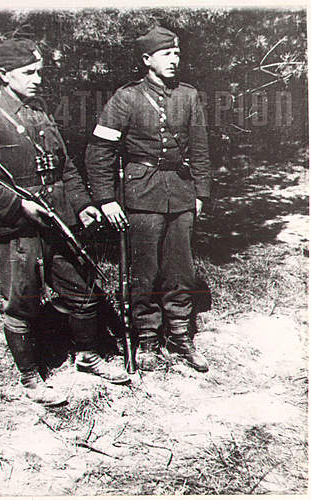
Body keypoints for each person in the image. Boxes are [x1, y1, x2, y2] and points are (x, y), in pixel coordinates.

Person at [0, 39, 129, 407]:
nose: (37, 80)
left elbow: (64, 167)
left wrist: (82, 204)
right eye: (28, 73)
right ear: (4, 75)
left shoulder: (39, 112)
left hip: (57, 222)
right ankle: (30, 378)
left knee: (83, 289)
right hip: (19, 231)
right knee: (22, 304)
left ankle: (87, 356)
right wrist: (19, 207)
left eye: (39, 72)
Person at [85, 26, 212, 372]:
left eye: (177, 54)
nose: (175, 60)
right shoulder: (126, 98)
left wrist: (201, 192)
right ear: (147, 59)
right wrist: (106, 199)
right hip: (141, 194)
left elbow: (199, 149)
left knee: (181, 270)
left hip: (181, 192)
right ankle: (147, 340)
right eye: (166, 54)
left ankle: (181, 336)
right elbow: (100, 152)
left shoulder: (188, 96)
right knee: (145, 272)